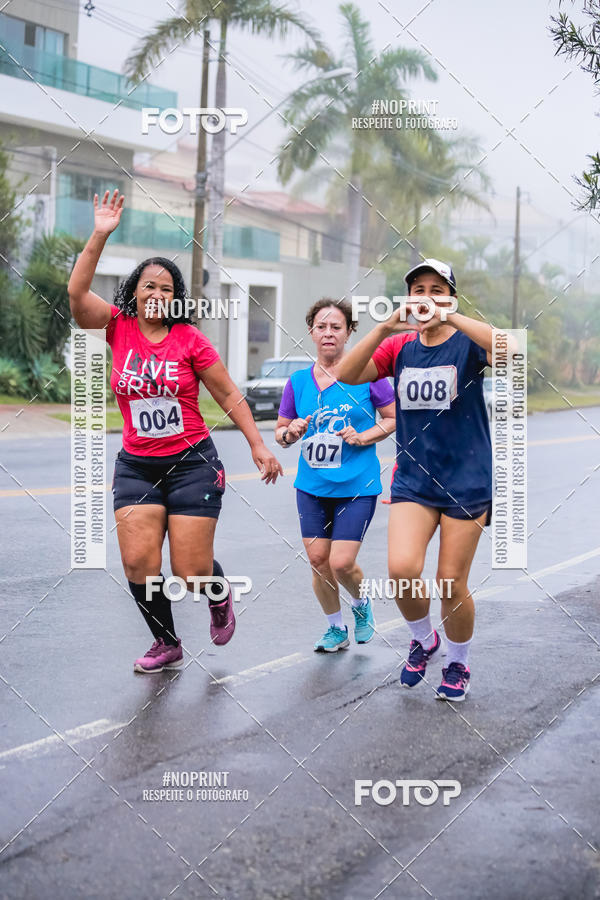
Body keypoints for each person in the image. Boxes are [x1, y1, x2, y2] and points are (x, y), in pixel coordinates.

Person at [68, 190, 282, 673]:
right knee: (139, 564)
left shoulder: (190, 339)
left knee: (189, 572)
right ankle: (166, 642)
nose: (156, 294)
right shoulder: (116, 326)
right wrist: (100, 233)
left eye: (166, 288)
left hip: (192, 465)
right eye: (148, 286)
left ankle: (218, 591)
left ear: (175, 297)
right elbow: (77, 296)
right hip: (137, 465)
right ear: (134, 292)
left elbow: (228, 394)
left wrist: (257, 443)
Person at [337, 259, 493, 700]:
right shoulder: (400, 349)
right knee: (403, 570)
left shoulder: (466, 344)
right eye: (417, 289)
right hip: (414, 481)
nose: (425, 296)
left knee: (450, 580)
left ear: (450, 295)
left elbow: (511, 351)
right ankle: (425, 640)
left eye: (436, 288)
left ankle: (459, 663)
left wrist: (451, 315)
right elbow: (345, 375)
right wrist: (384, 328)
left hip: (467, 481)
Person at [276, 298, 396, 652]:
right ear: (311, 332)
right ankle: (335, 629)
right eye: (321, 327)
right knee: (317, 561)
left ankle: (361, 605)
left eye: (336, 327)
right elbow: (281, 433)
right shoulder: (298, 382)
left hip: (357, 484)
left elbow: (392, 419)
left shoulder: (368, 374)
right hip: (312, 486)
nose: (328, 333)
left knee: (341, 562)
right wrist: (291, 432)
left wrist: (364, 436)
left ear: (349, 332)